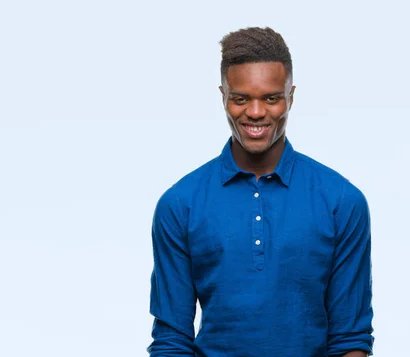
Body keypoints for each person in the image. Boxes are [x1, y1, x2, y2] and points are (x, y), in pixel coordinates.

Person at [147, 27, 374, 357]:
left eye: (271, 98)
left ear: (290, 96)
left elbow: (351, 338)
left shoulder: (342, 201)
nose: (255, 112)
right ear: (223, 95)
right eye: (240, 98)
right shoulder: (180, 204)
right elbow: (172, 340)